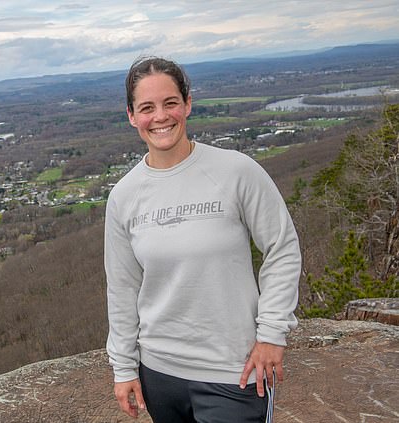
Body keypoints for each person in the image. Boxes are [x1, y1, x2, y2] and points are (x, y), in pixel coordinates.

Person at [104, 56, 301, 423]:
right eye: (147, 108)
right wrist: (124, 368)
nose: (160, 116)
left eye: (170, 103)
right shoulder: (124, 196)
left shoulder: (236, 171)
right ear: (132, 115)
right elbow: (122, 289)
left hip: (233, 372)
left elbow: (282, 248)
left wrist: (273, 334)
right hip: (159, 374)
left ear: (188, 104)